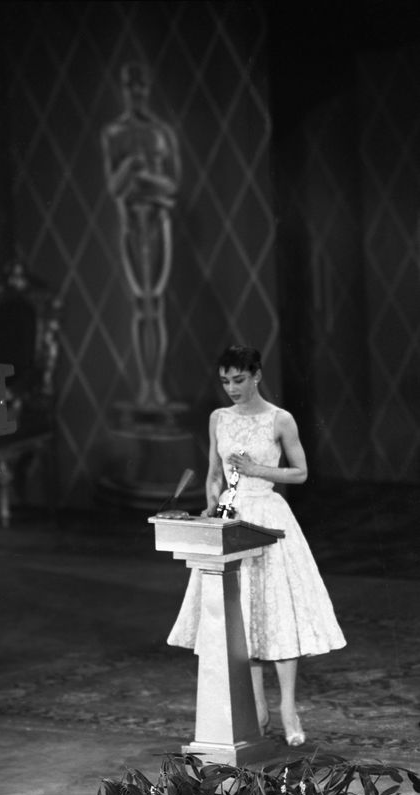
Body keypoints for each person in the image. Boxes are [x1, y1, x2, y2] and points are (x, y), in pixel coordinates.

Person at [166, 345, 346, 745]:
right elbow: (214, 471)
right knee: (240, 613)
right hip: (233, 518)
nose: (231, 388)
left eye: (239, 379)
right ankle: (258, 709)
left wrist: (256, 470)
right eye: (226, 381)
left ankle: (287, 707)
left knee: (277, 609)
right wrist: (213, 500)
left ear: (257, 375)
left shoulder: (280, 419)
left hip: (269, 514)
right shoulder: (218, 418)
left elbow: (299, 473)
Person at [102, 61, 181, 410]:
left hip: (157, 221)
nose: (135, 91)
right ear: (123, 88)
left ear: (147, 87)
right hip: (133, 223)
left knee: (156, 305)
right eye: (129, 85)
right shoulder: (114, 134)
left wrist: (141, 176)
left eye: (140, 85)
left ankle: (156, 387)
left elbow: (171, 185)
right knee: (141, 306)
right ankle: (146, 388)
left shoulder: (161, 132)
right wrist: (132, 171)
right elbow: (116, 187)